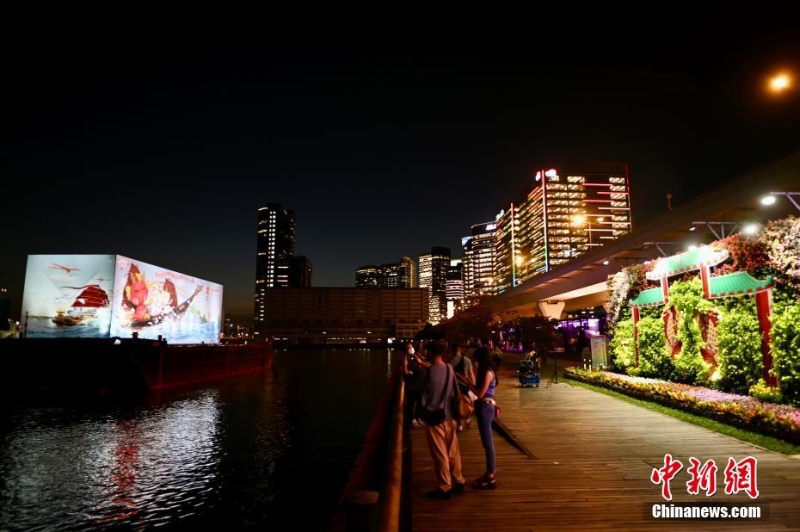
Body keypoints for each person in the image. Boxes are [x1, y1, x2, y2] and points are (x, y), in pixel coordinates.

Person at [420, 339, 467, 499]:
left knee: (440, 454)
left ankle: (445, 486)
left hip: (435, 418)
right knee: (453, 451)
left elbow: (421, 393)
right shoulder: (449, 368)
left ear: (430, 353)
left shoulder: (428, 372)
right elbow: (455, 391)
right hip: (451, 416)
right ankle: (459, 480)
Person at [471, 343, 498, 490]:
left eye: (476, 359)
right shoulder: (486, 371)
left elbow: (479, 394)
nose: (475, 362)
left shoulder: (487, 372)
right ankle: (489, 473)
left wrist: (467, 383)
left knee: (488, 443)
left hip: (485, 408)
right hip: (483, 407)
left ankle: (490, 475)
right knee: (486, 442)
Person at [448, 341, 475, 432]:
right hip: (465, 385)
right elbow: (471, 374)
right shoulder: (466, 359)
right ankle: (467, 419)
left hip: (454, 385)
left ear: (451, 349)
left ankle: (459, 424)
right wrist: (473, 385)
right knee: (466, 402)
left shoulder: (449, 360)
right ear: (459, 349)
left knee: (456, 404)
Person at [402, 342, 426, 429]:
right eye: (408, 348)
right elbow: (405, 370)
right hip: (411, 384)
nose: (410, 349)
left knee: (420, 401)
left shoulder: (416, 356)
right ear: (406, 349)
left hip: (419, 383)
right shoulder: (405, 357)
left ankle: (418, 418)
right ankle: (412, 420)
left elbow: (422, 362)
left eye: (411, 347)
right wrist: (408, 372)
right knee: (412, 402)